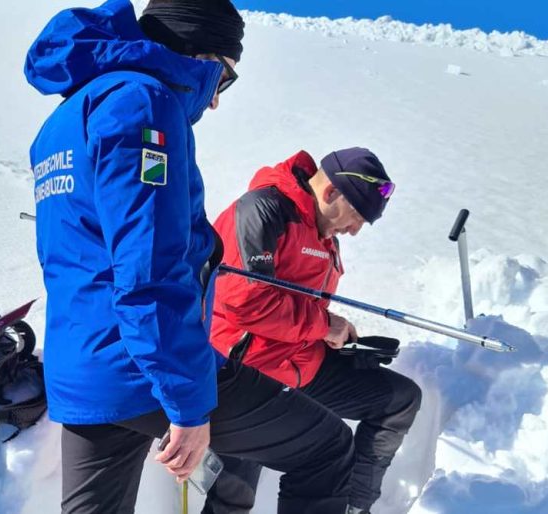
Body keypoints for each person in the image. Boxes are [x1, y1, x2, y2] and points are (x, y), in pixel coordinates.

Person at [25, 1, 358, 512]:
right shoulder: (143, 104)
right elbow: (150, 268)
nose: (216, 100)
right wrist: (186, 402)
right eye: (223, 79)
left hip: (84, 363)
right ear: (200, 55)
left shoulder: (70, 113)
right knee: (326, 447)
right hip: (142, 365)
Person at [205, 148, 423, 514]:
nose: (354, 231)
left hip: (300, 363)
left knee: (398, 400)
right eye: (356, 217)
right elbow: (244, 301)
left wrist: (336, 336)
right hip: (249, 371)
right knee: (235, 494)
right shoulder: (263, 211)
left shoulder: (325, 235)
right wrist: (323, 325)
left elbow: (299, 303)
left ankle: (356, 507)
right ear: (331, 192)